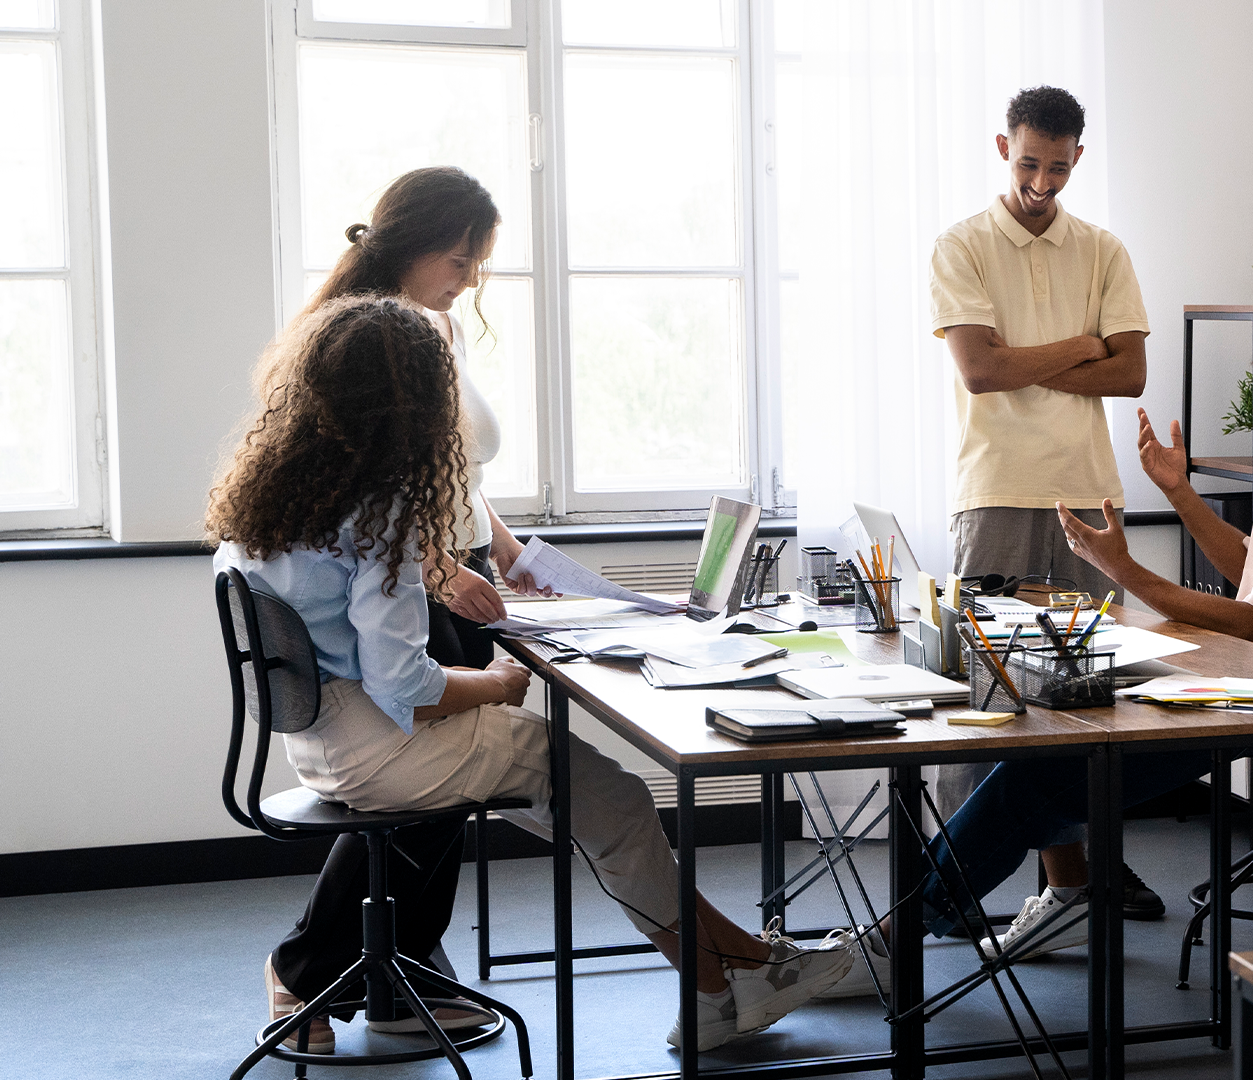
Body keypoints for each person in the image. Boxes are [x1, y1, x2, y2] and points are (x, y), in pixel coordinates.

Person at [210, 296, 854, 1053]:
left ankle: (734, 971)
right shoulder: (381, 506)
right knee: (613, 801)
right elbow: (404, 688)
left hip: (318, 745)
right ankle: (721, 983)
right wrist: (494, 686)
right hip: (386, 747)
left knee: (594, 807)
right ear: (413, 401)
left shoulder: (281, 495)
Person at [880, 328, 1253, 957]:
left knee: (1031, 780)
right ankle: (1069, 899)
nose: (1252, 420)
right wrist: (1178, 491)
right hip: (1237, 669)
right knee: (1045, 723)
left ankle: (898, 933)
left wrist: (1123, 571)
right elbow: (1249, 568)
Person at [256, 167, 545, 1052]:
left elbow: (454, 465)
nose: (464, 275)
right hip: (410, 574)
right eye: (454, 256)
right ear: (406, 243)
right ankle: (310, 971)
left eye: (477, 261)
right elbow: (362, 481)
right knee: (427, 781)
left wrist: (497, 539)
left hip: (448, 560)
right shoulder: (364, 338)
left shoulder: (435, 326)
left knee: (443, 788)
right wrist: (431, 566)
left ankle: (402, 975)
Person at [925, 84, 1162, 953]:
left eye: (1057, 168)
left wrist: (1033, 359)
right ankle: (954, 885)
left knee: (1090, 698)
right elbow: (980, 373)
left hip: (1086, 489)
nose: (1041, 182)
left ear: (1077, 161)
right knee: (984, 697)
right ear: (1003, 147)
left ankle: (1087, 868)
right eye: (1028, 163)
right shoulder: (962, 244)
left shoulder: (1101, 249)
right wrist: (1077, 346)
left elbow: (1131, 374)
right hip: (993, 488)